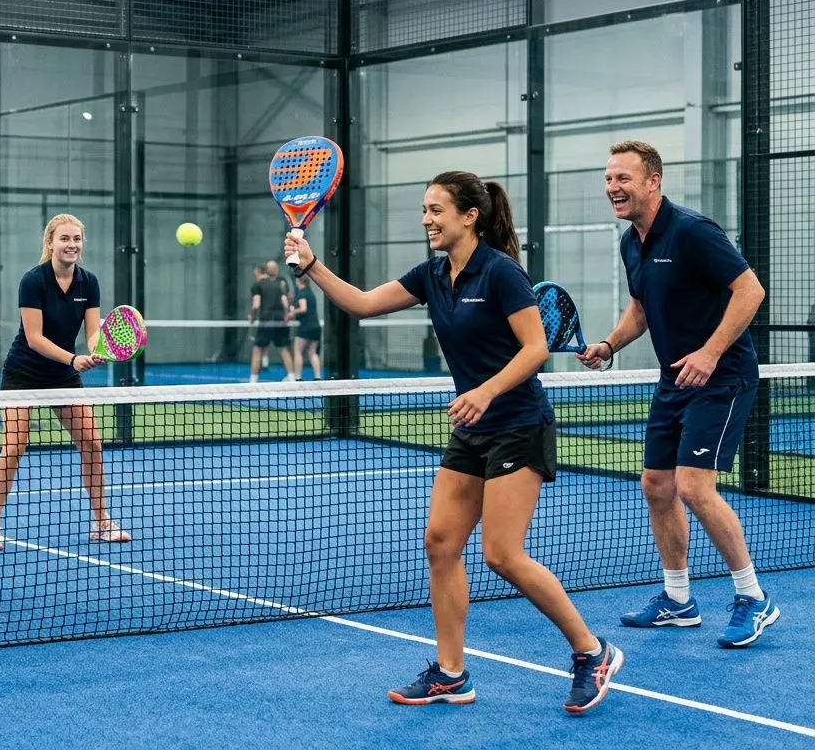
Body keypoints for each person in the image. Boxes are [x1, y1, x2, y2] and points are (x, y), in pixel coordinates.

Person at [288, 171, 622, 713]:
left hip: (517, 422)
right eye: (424, 209)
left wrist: (485, 392)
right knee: (440, 544)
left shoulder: (502, 273)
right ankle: (450, 673)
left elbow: (535, 348)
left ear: (470, 216)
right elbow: (364, 303)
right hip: (472, 429)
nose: (427, 219)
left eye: (437, 210)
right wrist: (313, 265)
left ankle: (592, 651)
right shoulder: (434, 275)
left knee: (502, 554)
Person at [577, 141, 777, 648]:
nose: (613, 188)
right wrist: (609, 344)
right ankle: (678, 599)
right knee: (656, 486)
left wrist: (710, 352)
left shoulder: (693, 231)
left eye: (623, 178)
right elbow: (641, 309)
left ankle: (753, 597)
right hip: (675, 378)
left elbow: (750, 290)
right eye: (608, 179)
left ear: (653, 181)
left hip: (722, 375)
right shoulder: (631, 242)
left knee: (693, 486)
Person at [0, 213, 129, 552]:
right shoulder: (33, 281)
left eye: (76, 239)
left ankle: (102, 522)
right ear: (50, 243)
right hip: (23, 374)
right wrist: (73, 359)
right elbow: (34, 338)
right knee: (15, 446)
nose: (71, 245)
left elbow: (92, 333)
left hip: (63, 376)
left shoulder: (88, 282)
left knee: (92, 443)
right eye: (64, 239)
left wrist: (96, 350)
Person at [249, 260, 294, 383]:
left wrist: (252, 318)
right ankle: (292, 378)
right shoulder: (277, 285)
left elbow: (256, 304)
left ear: (258, 272)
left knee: (257, 350)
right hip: (280, 321)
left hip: (266, 321)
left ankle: (253, 381)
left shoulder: (257, 285)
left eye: (255, 272)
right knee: (284, 349)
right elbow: (285, 302)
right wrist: (287, 315)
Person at [291, 275, 322, 381]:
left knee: (298, 352)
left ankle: (298, 378)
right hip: (316, 327)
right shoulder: (311, 293)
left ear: (299, 281)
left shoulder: (302, 293)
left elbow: (303, 308)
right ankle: (317, 377)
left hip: (306, 327)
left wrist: (292, 312)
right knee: (313, 352)